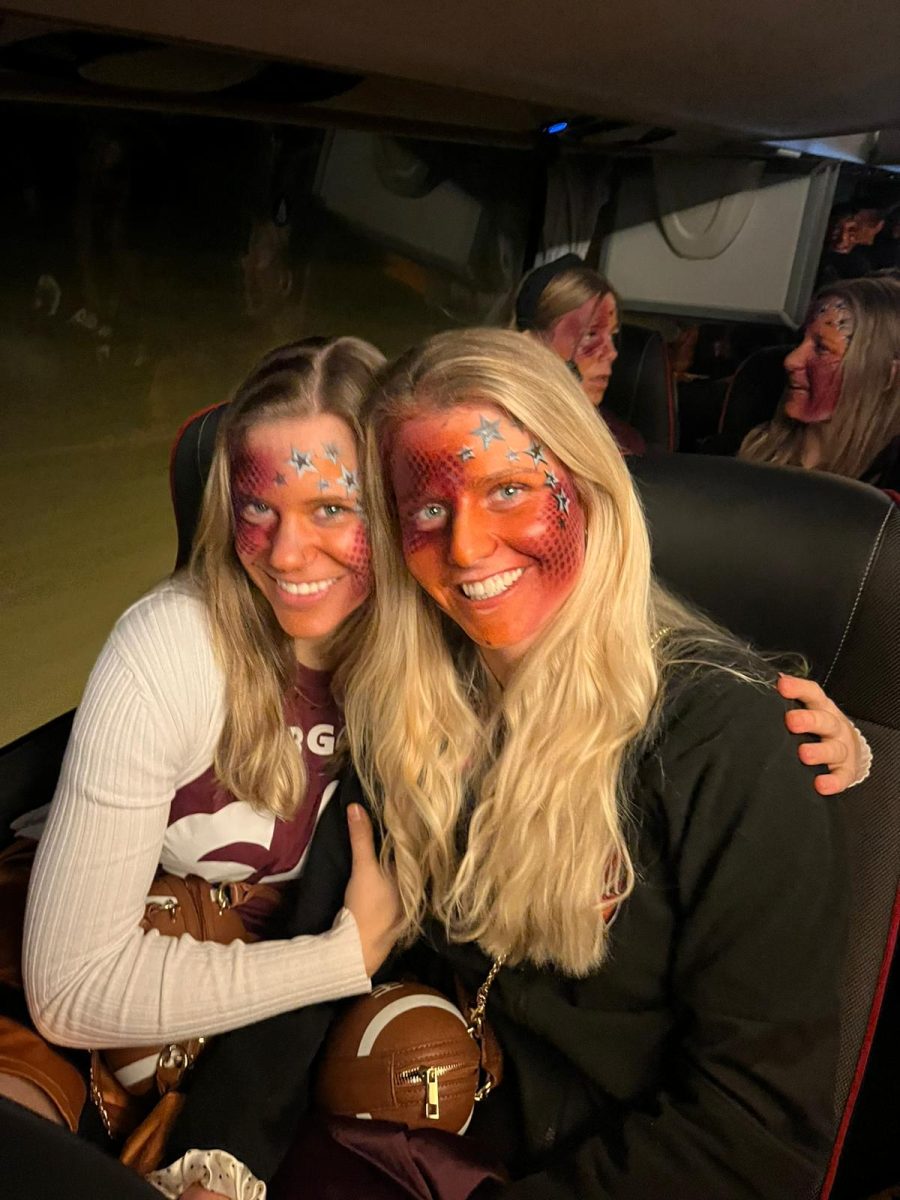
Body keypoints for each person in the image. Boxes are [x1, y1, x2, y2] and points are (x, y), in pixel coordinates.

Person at [160, 330, 862, 1200]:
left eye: (508, 490)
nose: (464, 546)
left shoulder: (733, 744)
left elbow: (757, 1135)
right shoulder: (408, 703)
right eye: (427, 509)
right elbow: (313, 954)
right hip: (400, 1130)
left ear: (591, 489)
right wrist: (214, 1167)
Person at [9, 338, 401, 1135]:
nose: (286, 553)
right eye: (260, 508)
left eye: (332, 508)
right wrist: (340, 958)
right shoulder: (172, 647)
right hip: (79, 949)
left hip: (250, 976)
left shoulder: (422, 662)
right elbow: (69, 989)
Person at [739, 276, 900, 495]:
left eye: (822, 348)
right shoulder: (741, 447)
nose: (791, 360)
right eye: (800, 341)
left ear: (886, 375)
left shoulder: (890, 490)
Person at [512, 254, 646, 455]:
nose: (611, 353)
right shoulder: (493, 428)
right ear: (532, 344)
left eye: (612, 335)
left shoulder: (622, 443)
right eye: (590, 334)